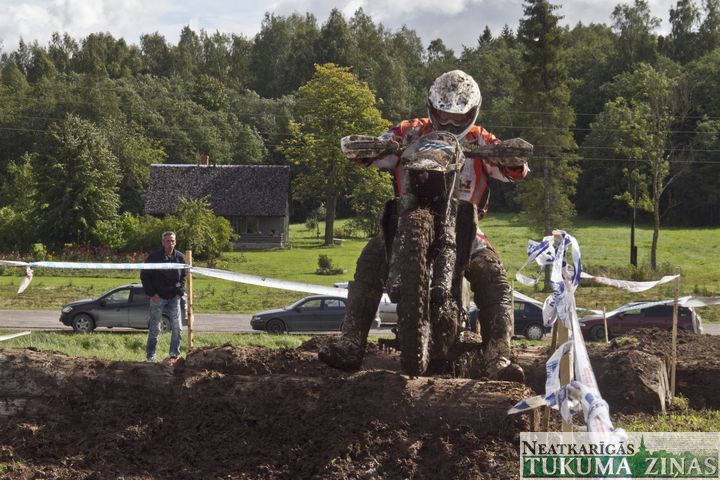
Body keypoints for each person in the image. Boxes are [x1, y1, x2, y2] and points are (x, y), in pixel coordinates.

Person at [319, 70, 529, 380]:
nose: (450, 124)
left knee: (492, 273)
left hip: (463, 224)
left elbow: (516, 172)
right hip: (408, 217)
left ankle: (498, 357)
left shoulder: (481, 139)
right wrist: (370, 149)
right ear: (432, 108)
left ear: (472, 113)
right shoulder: (409, 131)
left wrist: (511, 158)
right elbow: (373, 151)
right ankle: (351, 343)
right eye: (443, 115)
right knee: (372, 258)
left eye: (458, 118)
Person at [141, 231, 186, 362]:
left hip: (174, 297)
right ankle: (150, 355)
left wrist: (179, 292)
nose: (170, 243)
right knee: (155, 327)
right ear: (163, 242)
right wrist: (152, 293)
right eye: (167, 241)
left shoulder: (180, 257)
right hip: (158, 297)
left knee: (177, 327)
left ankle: (174, 354)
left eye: (172, 241)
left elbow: (184, 276)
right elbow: (144, 276)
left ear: (175, 242)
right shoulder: (153, 257)